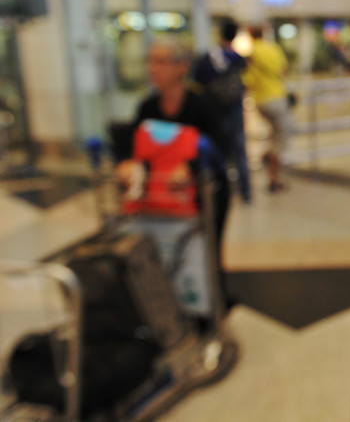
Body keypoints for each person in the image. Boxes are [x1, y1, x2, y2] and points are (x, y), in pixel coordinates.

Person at [114, 36, 232, 303]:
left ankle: (213, 307)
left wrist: (190, 167)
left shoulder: (202, 106)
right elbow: (137, 150)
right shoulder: (147, 107)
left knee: (206, 251)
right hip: (164, 199)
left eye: (161, 61)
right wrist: (127, 165)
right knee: (169, 254)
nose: (152, 68)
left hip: (206, 195)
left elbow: (220, 149)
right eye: (151, 61)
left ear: (182, 67)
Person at [191, 19, 251, 203]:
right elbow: (245, 82)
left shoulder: (207, 58)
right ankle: (246, 194)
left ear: (219, 34)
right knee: (240, 152)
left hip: (214, 113)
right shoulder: (238, 58)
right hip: (234, 110)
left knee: (219, 154)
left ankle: (223, 192)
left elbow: (197, 83)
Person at [243, 23, 292, 192]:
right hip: (277, 98)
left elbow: (246, 80)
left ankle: (268, 157)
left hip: (260, 101)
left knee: (275, 135)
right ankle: (274, 177)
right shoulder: (273, 49)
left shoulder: (249, 55)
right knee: (280, 139)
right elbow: (283, 70)